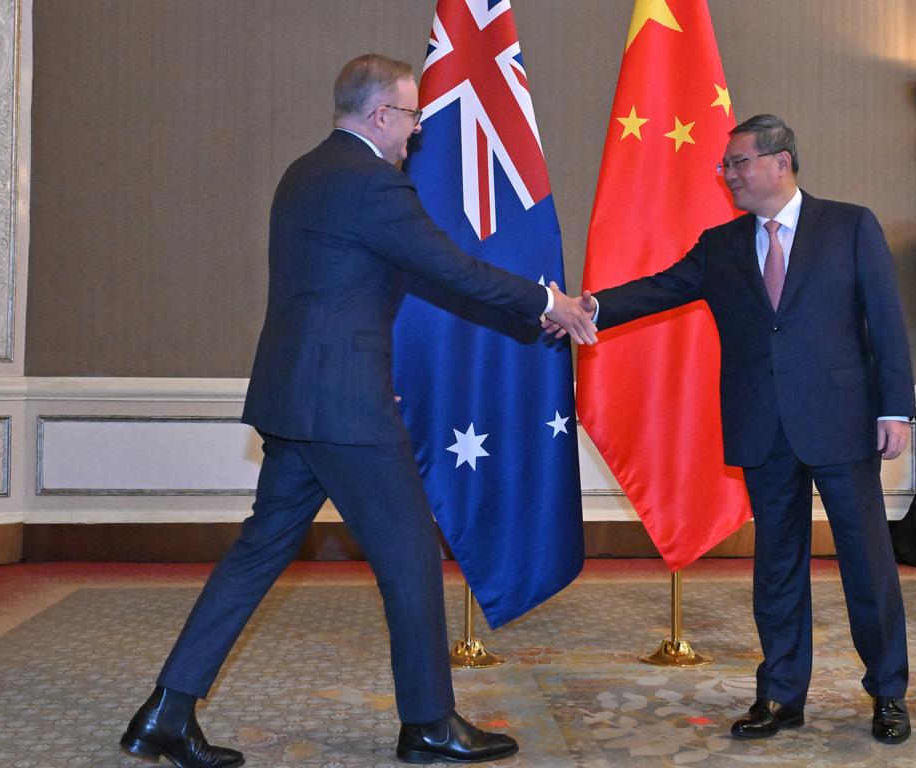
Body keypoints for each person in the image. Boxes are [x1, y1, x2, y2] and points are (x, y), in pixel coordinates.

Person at [120, 53, 597, 768]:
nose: (415, 133)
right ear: (380, 116)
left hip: (299, 395)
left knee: (257, 554)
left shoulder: (305, 172)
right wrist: (547, 302)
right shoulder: (373, 181)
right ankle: (429, 724)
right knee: (409, 557)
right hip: (342, 406)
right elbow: (452, 268)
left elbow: (350, 290)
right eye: (410, 117)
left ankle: (165, 709)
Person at [553, 114, 915, 745]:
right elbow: (659, 289)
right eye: (727, 165)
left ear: (782, 161)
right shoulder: (720, 245)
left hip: (843, 425)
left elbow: (885, 323)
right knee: (776, 565)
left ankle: (887, 692)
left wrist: (895, 410)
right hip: (763, 427)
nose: (729, 174)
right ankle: (780, 695)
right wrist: (587, 308)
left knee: (866, 563)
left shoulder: (850, 225)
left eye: (739, 162)